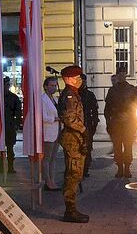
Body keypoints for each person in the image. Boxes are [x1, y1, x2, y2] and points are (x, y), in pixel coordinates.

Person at [57, 65, 89, 222]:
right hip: (72, 138)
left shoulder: (74, 94)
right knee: (73, 174)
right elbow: (69, 118)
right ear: (68, 79)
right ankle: (70, 210)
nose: (80, 81)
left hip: (76, 137)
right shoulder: (69, 95)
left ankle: (72, 208)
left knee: (76, 173)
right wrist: (83, 130)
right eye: (77, 78)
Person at [104, 70, 137, 178]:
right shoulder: (112, 90)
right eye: (120, 74)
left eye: (124, 74)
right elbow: (107, 108)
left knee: (128, 147)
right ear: (118, 76)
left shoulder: (132, 89)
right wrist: (108, 122)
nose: (122, 76)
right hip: (116, 124)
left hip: (129, 124)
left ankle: (127, 168)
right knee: (117, 147)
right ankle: (119, 168)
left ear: (126, 75)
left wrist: (133, 119)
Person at [41, 76, 61, 191]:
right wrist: (56, 118)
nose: (54, 87)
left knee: (53, 158)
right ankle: (47, 181)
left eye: (55, 85)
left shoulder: (55, 99)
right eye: (51, 85)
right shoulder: (43, 99)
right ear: (46, 86)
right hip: (48, 131)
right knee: (47, 158)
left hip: (57, 131)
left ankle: (52, 180)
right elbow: (43, 117)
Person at [79, 75, 100, 177]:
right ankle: (79, 169)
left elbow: (95, 111)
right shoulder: (74, 94)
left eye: (84, 81)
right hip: (77, 126)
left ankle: (85, 169)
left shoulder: (89, 95)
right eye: (80, 81)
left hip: (87, 125)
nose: (82, 83)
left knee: (87, 149)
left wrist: (94, 125)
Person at [2, 76, 22, 174]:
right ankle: (1, 167)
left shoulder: (13, 97)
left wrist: (16, 124)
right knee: (0, 149)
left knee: (10, 148)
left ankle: (10, 167)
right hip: (1, 125)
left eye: (7, 85)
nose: (6, 87)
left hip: (9, 125)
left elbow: (18, 112)